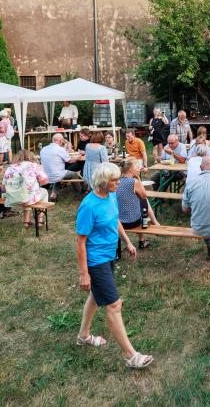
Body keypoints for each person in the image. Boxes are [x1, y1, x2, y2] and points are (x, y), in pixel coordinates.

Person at [75, 162, 154, 370]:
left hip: (109, 255)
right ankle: (131, 356)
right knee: (113, 304)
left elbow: (115, 220)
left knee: (95, 296)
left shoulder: (110, 196)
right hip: (96, 260)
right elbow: (80, 242)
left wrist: (127, 241)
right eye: (114, 180)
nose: (119, 183)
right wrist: (84, 273)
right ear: (102, 182)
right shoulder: (88, 206)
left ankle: (83, 336)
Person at [116, 157, 161, 249]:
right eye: (137, 167)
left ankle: (154, 223)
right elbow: (144, 195)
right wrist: (138, 178)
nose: (138, 169)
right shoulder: (134, 182)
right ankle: (142, 240)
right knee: (143, 200)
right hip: (133, 222)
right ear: (131, 169)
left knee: (136, 199)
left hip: (118, 222)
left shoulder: (115, 181)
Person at [2, 148, 50, 229]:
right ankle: (40, 221)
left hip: (13, 198)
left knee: (25, 193)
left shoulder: (11, 167)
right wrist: (37, 183)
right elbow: (45, 180)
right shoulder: (33, 166)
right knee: (43, 191)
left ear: (18, 157)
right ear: (30, 157)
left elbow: (3, 185)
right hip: (27, 198)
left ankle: (26, 223)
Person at [41, 133, 83, 201]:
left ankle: (54, 194)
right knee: (73, 174)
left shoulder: (43, 149)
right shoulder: (60, 149)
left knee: (58, 175)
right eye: (62, 141)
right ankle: (79, 191)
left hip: (47, 175)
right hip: (57, 175)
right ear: (60, 141)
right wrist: (79, 156)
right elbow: (71, 161)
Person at [81, 131, 109, 195]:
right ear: (101, 138)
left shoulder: (87, 146)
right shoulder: (102, 148)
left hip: (88, 168)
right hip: (97, 169)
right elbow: (105, 162)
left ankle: (90, 191)